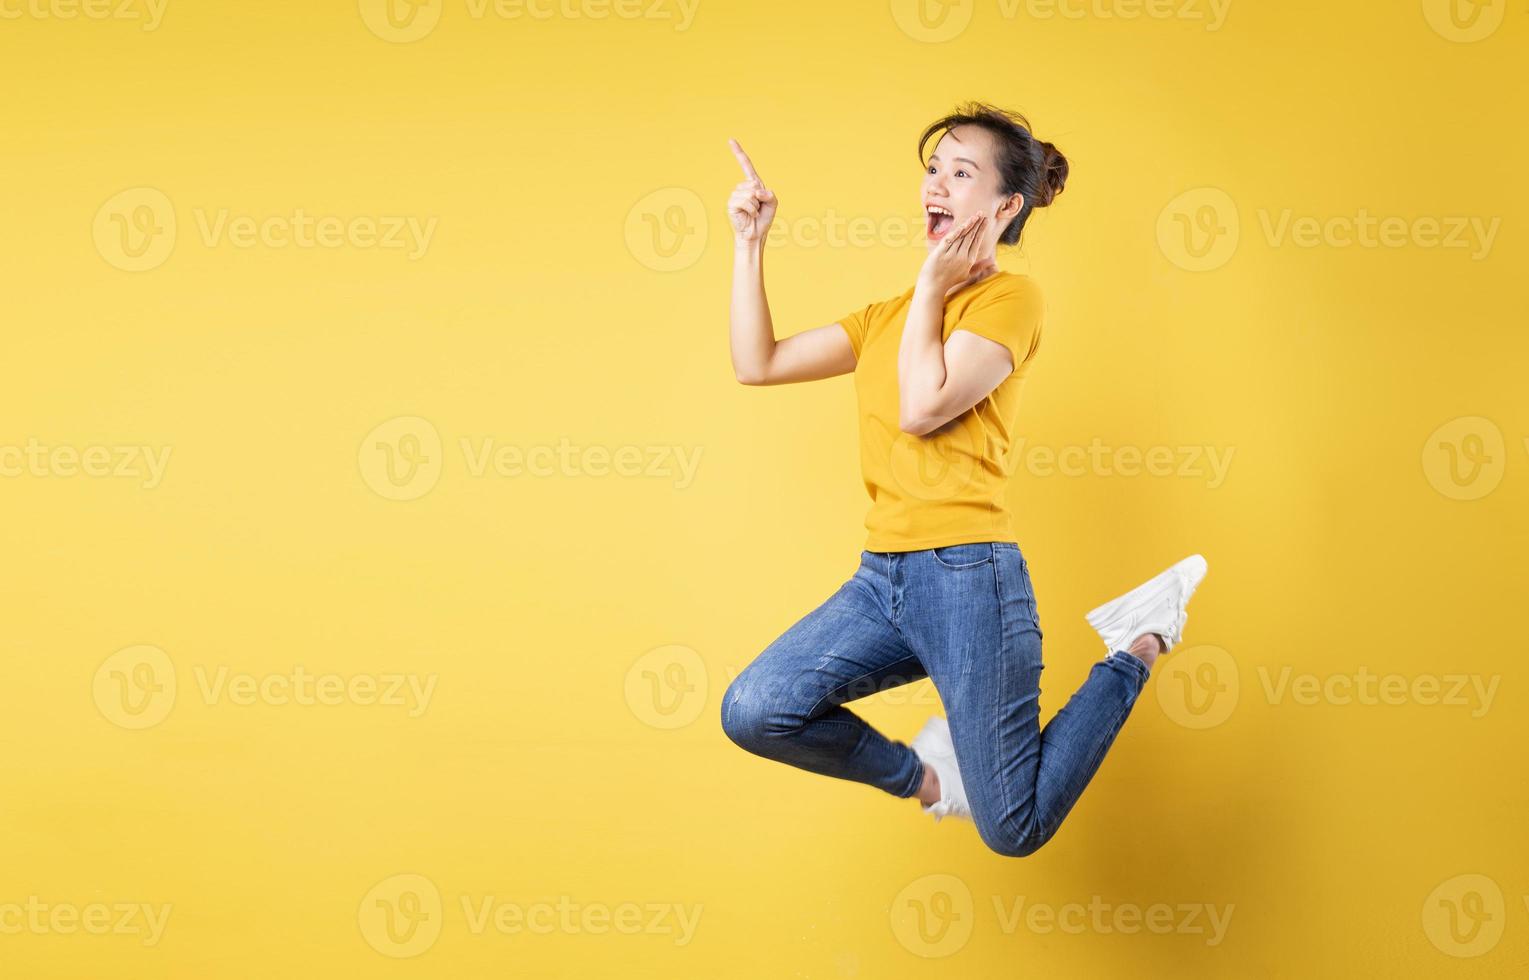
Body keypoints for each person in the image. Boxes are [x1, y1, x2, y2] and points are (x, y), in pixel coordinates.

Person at [719, 102, 1208, 857]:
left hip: (968, 580)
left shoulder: (1012, 300)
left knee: (1013, 829)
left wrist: (929, 287)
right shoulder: (885, 317)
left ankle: (1138, 642)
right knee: (756, 708)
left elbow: (921, 407)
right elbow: (758, 364)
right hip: (881, 582)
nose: (935, 185)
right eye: (932, 169)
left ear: (1005, 206)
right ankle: (929, 777)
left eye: (960, 171)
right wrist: (749, 243)